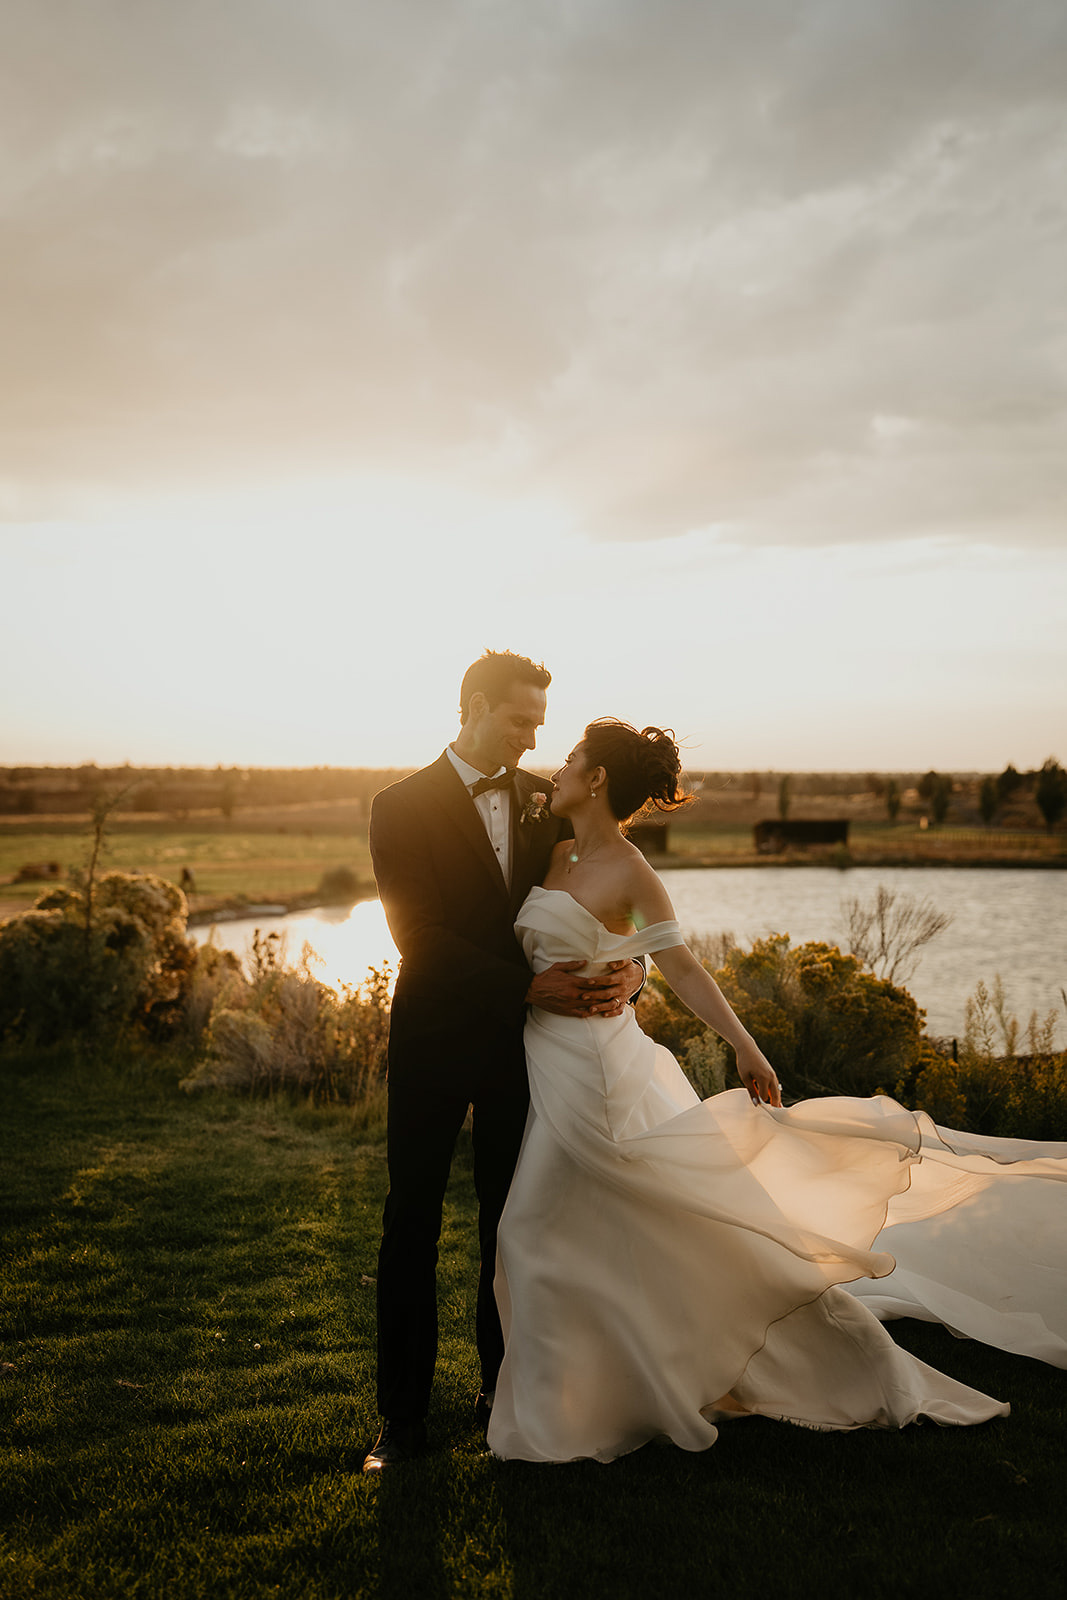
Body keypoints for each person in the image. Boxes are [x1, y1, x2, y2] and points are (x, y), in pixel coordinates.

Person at [488, 720, 1067, 1463]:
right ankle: (601, 1391)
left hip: (597, 1072)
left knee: (532, 1228)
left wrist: (743, 1042)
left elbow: (682, 967)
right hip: (547, 1058)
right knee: (595, 1234)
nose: (556, 767)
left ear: (596, 779)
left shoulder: (633, 873)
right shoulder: (555, 849)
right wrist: (611, 972)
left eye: (570, 758)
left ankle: (556, 1421)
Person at [363, 655, 645, 1470]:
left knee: (511, 1223)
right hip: (434, 1038)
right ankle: (402, 1421)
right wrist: (525, 986)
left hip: (527, 1051)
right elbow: (416, 938)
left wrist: (633, 967)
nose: (532, 738)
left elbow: (599, 897)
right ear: (476, 706)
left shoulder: (540, 803)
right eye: (520, 721)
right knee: (410, 1221)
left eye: (539, 726)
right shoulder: (398, 806)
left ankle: (505, 1394)